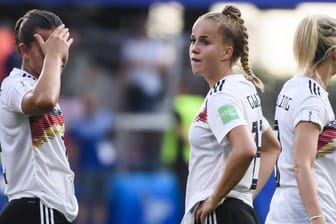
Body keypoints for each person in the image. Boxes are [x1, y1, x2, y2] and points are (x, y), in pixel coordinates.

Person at [181, 5, 280, 224]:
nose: (194, 48)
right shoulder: (242, 89)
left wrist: (217, 197)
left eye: (205, 42)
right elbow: (273, 146)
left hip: (219, 212)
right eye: (193, 40)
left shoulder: (221, 96)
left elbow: (245, 149)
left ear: (227, 51)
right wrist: (244, 196)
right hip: (235, 211)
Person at [0, 9, 78, 224]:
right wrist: (54, 56)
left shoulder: (39, 86)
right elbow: (45, 100)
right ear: (23, 51)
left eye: (56, 48)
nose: (52, 55)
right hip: (37, 205)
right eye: (43, 50)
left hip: (44, 208)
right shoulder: (17, 84)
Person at [266, 15, 336, 224]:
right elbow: (301, 164)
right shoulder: (312, 98)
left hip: (286, 208)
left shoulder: (293, 86)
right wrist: (317, 218)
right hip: (306, 213)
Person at [68, 91, 116, 224]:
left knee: (101, 202)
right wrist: (73, 166)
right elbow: (73, 147)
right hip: (86, 167)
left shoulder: (105, 119)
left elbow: (112, 137)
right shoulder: (78, 124)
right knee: (84, 200)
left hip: (104, 168)